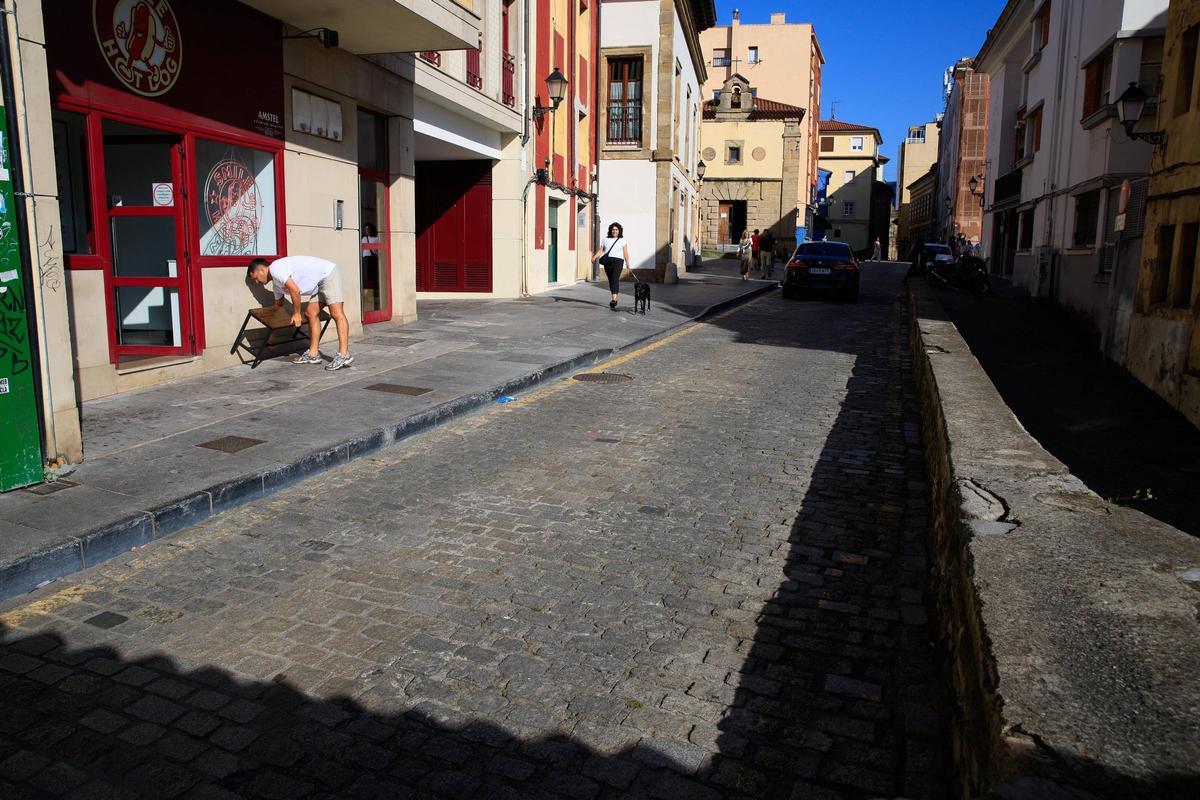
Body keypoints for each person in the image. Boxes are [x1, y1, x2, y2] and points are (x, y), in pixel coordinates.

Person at [247, 255, 353, 370]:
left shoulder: (275, 269)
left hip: (328, 275)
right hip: (320, 282)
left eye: (256, 278)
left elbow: (295, 290)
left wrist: (296, 314)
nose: (257, 282)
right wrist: (272, 334)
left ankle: (344, 354)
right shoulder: (277, 285)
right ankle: (313, 354)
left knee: (336, 313)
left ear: (261, 270)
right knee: (311, 313)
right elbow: (277, 307)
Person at [591, 222, 631, 309]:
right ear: (610, 230)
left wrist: (627, 263)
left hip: (618, 262)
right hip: (607, 262)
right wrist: (594, 257)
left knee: (614, 279)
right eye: (613, 229)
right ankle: (614, 297)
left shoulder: (622, 240)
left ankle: (614, 300)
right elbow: (601, 250)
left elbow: (625, 252)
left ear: (619, 231)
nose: (614, 231)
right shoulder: (605, 239)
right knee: (610, 280)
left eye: (616, 230)